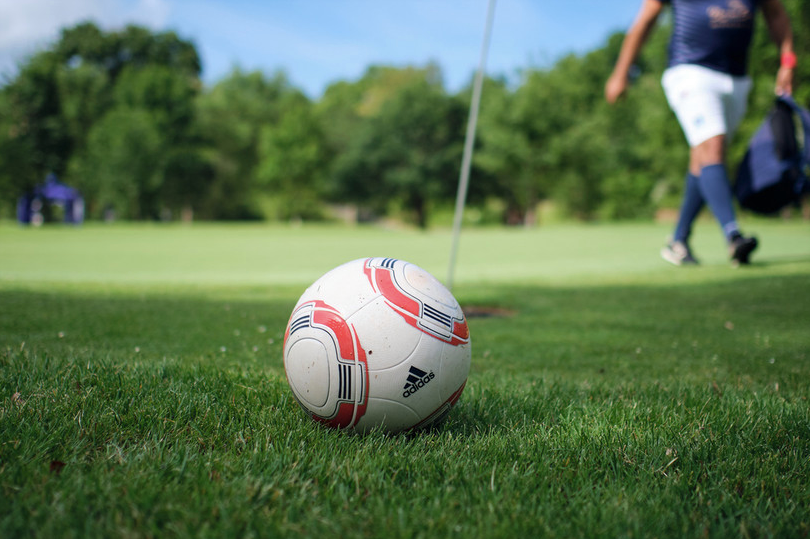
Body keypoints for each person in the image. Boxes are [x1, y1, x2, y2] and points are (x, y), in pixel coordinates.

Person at [606, 0, 795, 266]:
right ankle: (733, 236)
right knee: (712, 146)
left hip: (737, 79)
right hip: (690, 71)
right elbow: (645, 21)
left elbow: (776, 15)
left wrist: (787, 60)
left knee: (704, 157)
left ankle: (678, 241)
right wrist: (621, 72)